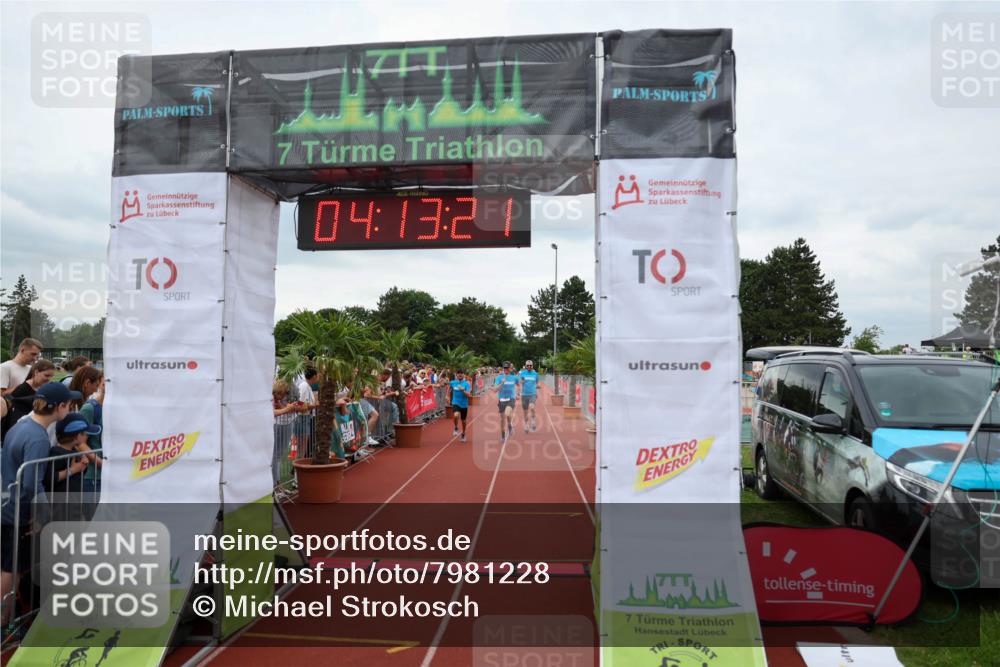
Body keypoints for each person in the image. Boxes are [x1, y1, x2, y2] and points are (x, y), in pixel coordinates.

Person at [1, 382, 80, 624]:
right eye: (69, 404)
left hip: (8, 505)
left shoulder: (22, 424)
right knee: (10, 568)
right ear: (60, 407)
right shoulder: (38, 439)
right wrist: (43, 514)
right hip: (18, 512)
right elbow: (31, 483)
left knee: (10, 565)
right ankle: (3, 621)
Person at [46, 412, 102, 495]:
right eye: (86, 434)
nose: (88, 436)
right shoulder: (56, 453)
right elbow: (49, 478)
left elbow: (78, 474)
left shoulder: (75, 452)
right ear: (77, 436)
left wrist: (83, 465)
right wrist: (73, 470)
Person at [70, 367, 104, 491]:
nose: (96, 389)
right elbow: (79, 442)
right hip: (92, 475)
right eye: (102, 384)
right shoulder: (89, 408)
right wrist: (101, 463)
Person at [3, 360, 56, 440]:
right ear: (36, 372)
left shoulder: (41, 387)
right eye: (46, 375)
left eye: (51, 376)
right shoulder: (22, 390)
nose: (49, 379)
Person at [492, 361, 520, 442]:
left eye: (507, 368)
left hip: (511, 398)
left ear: (510, 369)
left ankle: (510, 425)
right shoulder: (499, 378)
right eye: (504, 368)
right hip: (501, 400)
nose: (506, 369)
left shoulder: (514, 377)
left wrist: (518, 393)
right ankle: (503, 435)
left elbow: (518, 385)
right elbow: (495, 390)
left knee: (507, 413)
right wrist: (502, 383)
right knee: (502, 419)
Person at [449, 369, 472, 443]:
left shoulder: (466, 383)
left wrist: (463, 390)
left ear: (463, 375)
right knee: (455, 415)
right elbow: (449, 389)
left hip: (464, 404)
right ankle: (456, 428)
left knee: (463, 421)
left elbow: (468, 395)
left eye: (461, 373)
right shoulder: (453, 382)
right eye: (458, 373)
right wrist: (447, 396)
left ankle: (463, 433)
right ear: (456, 375)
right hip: (455, 402)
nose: (460, 375)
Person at [518, 360, 540, 433]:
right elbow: (520, 382)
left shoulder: (535, 374)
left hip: (532, 394)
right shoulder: (522, 373)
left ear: (532, 366)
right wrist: (522, 381)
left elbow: (537, 383)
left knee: (532, 407)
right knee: (525, 412)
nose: (529, 366)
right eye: (528, 365)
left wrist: (537, 390)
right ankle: (526, 424)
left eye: (530, 365)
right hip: (524, 394)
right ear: (526, 366)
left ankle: (533, 420)